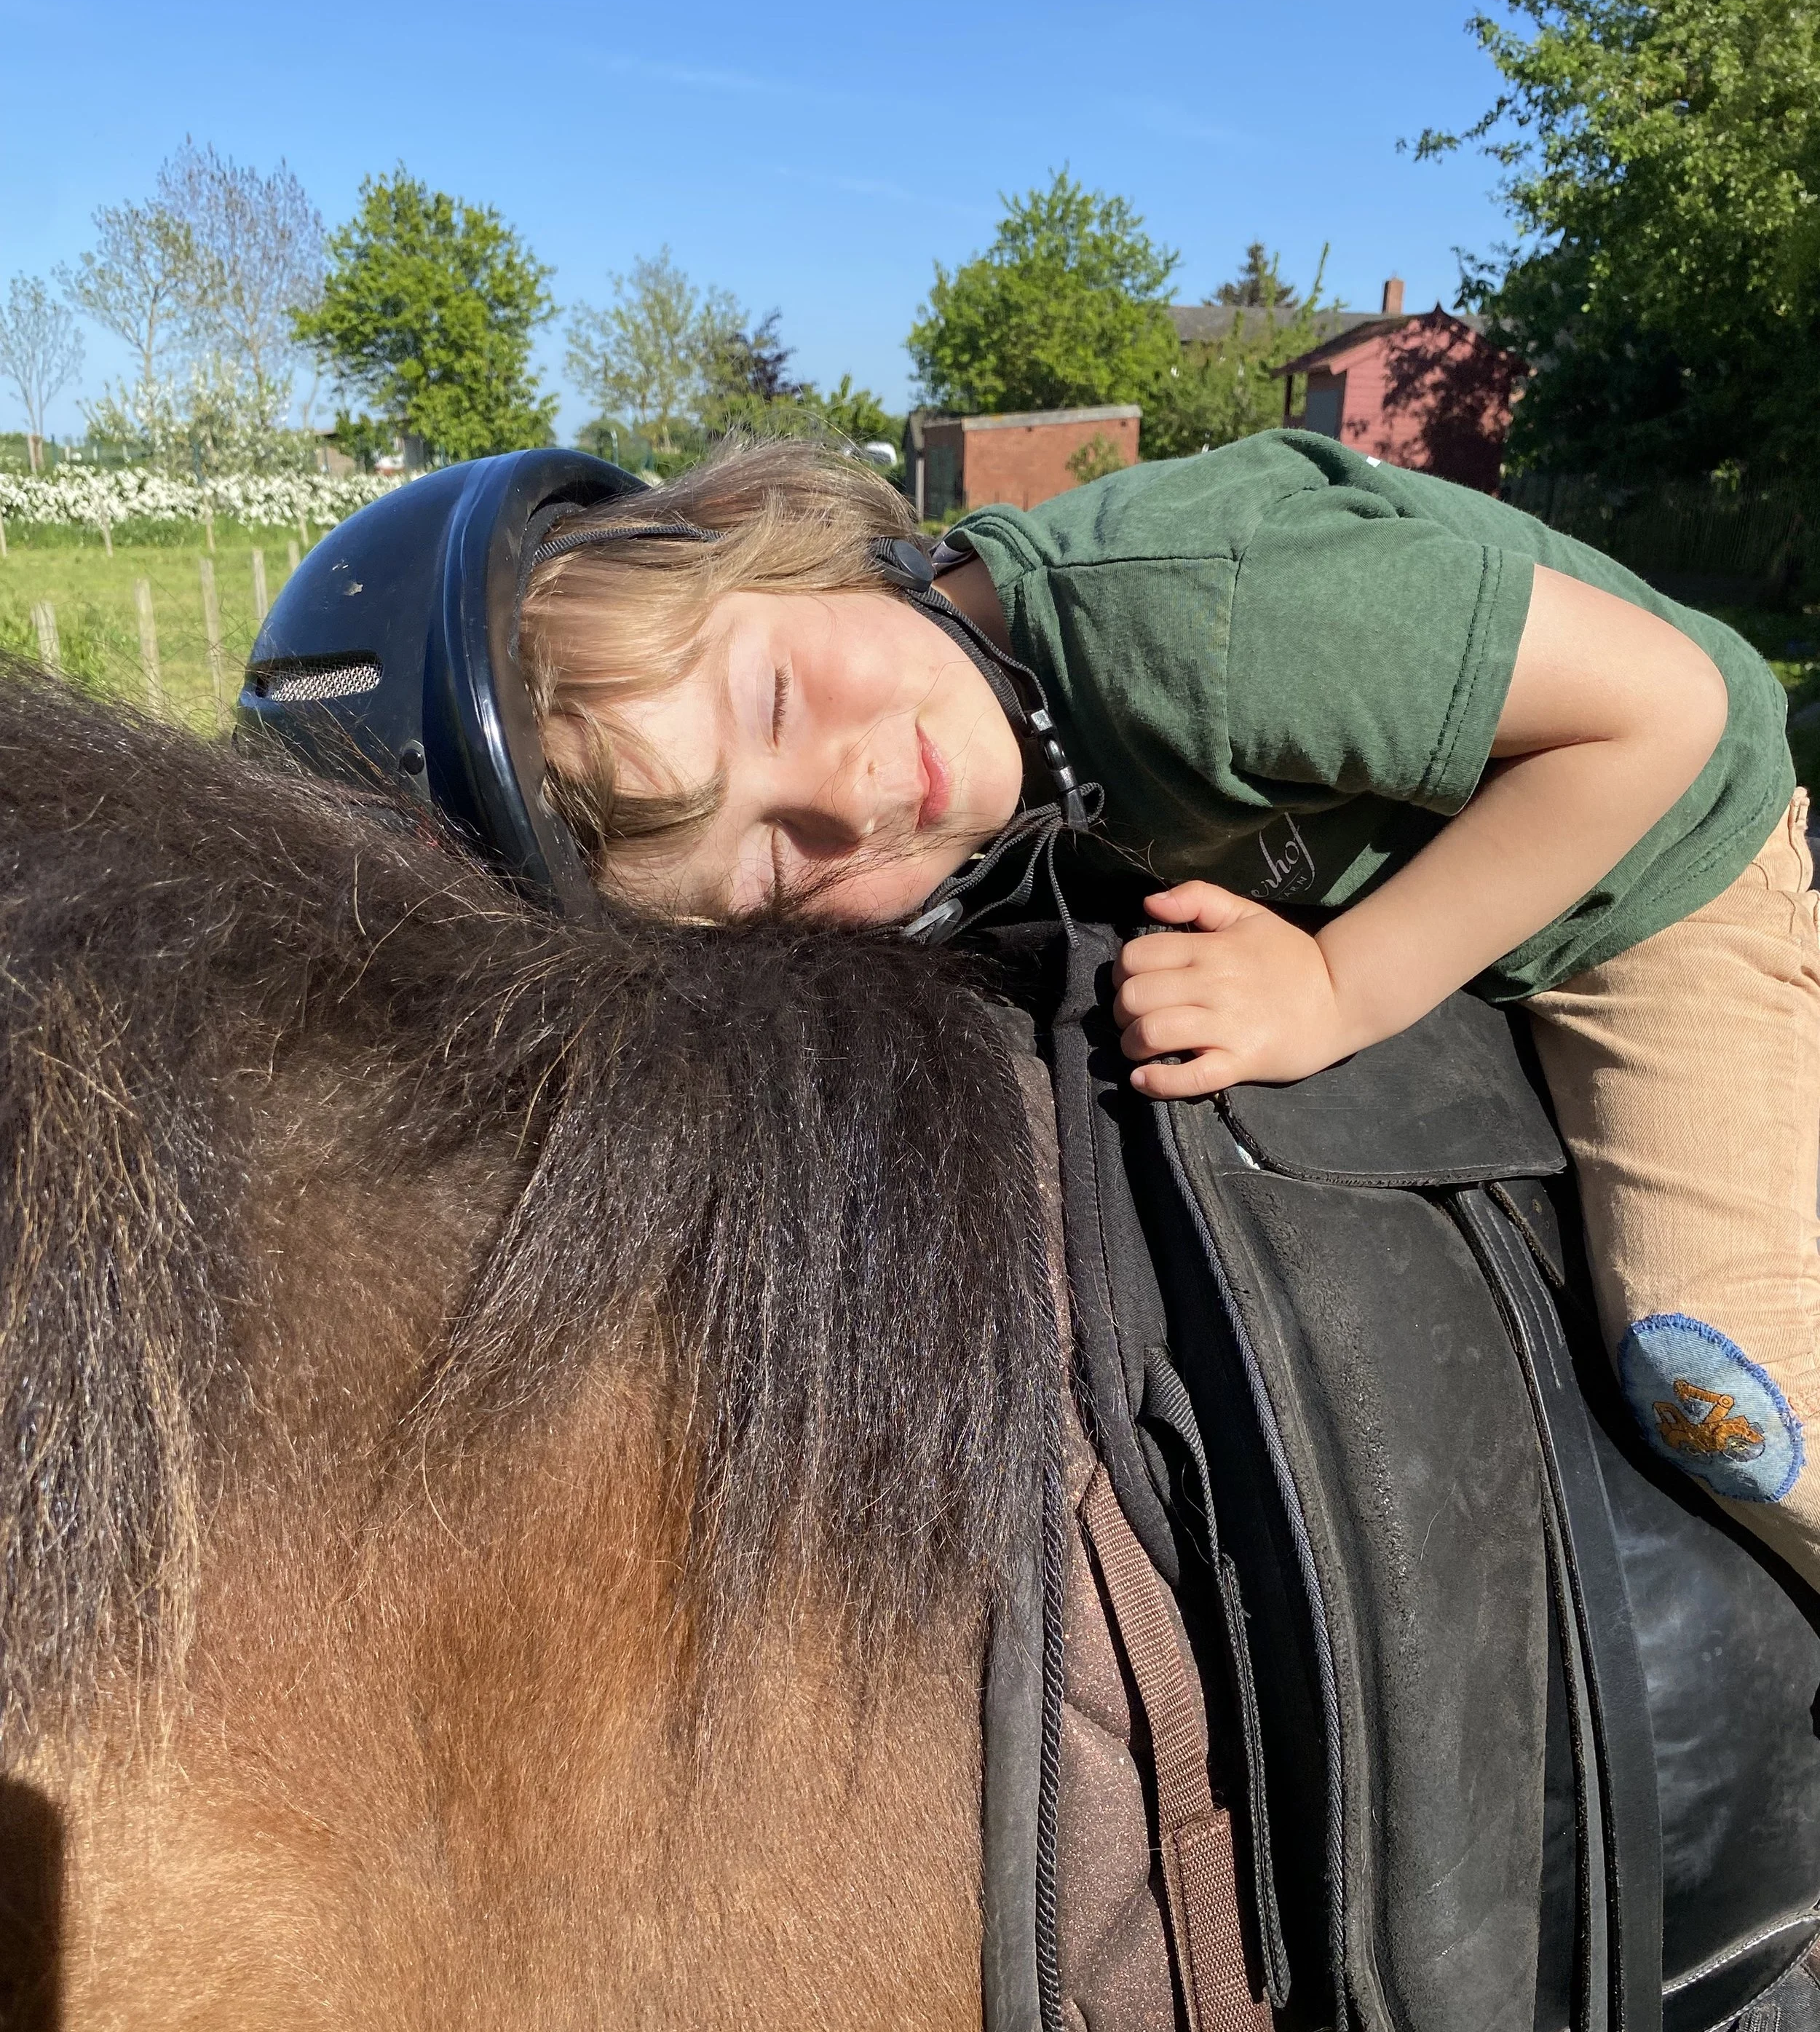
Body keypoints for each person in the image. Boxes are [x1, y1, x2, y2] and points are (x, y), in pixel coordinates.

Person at [518, 434, 1820, 1586]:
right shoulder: (976, 735)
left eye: (775, 702)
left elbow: (1663, 716)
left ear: (784, 547)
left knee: (1720, 1377)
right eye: (770, 864)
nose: (850, 803)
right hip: (1488, 832)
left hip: (1660, 863)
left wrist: (1334, 986)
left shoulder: (1199, 624)